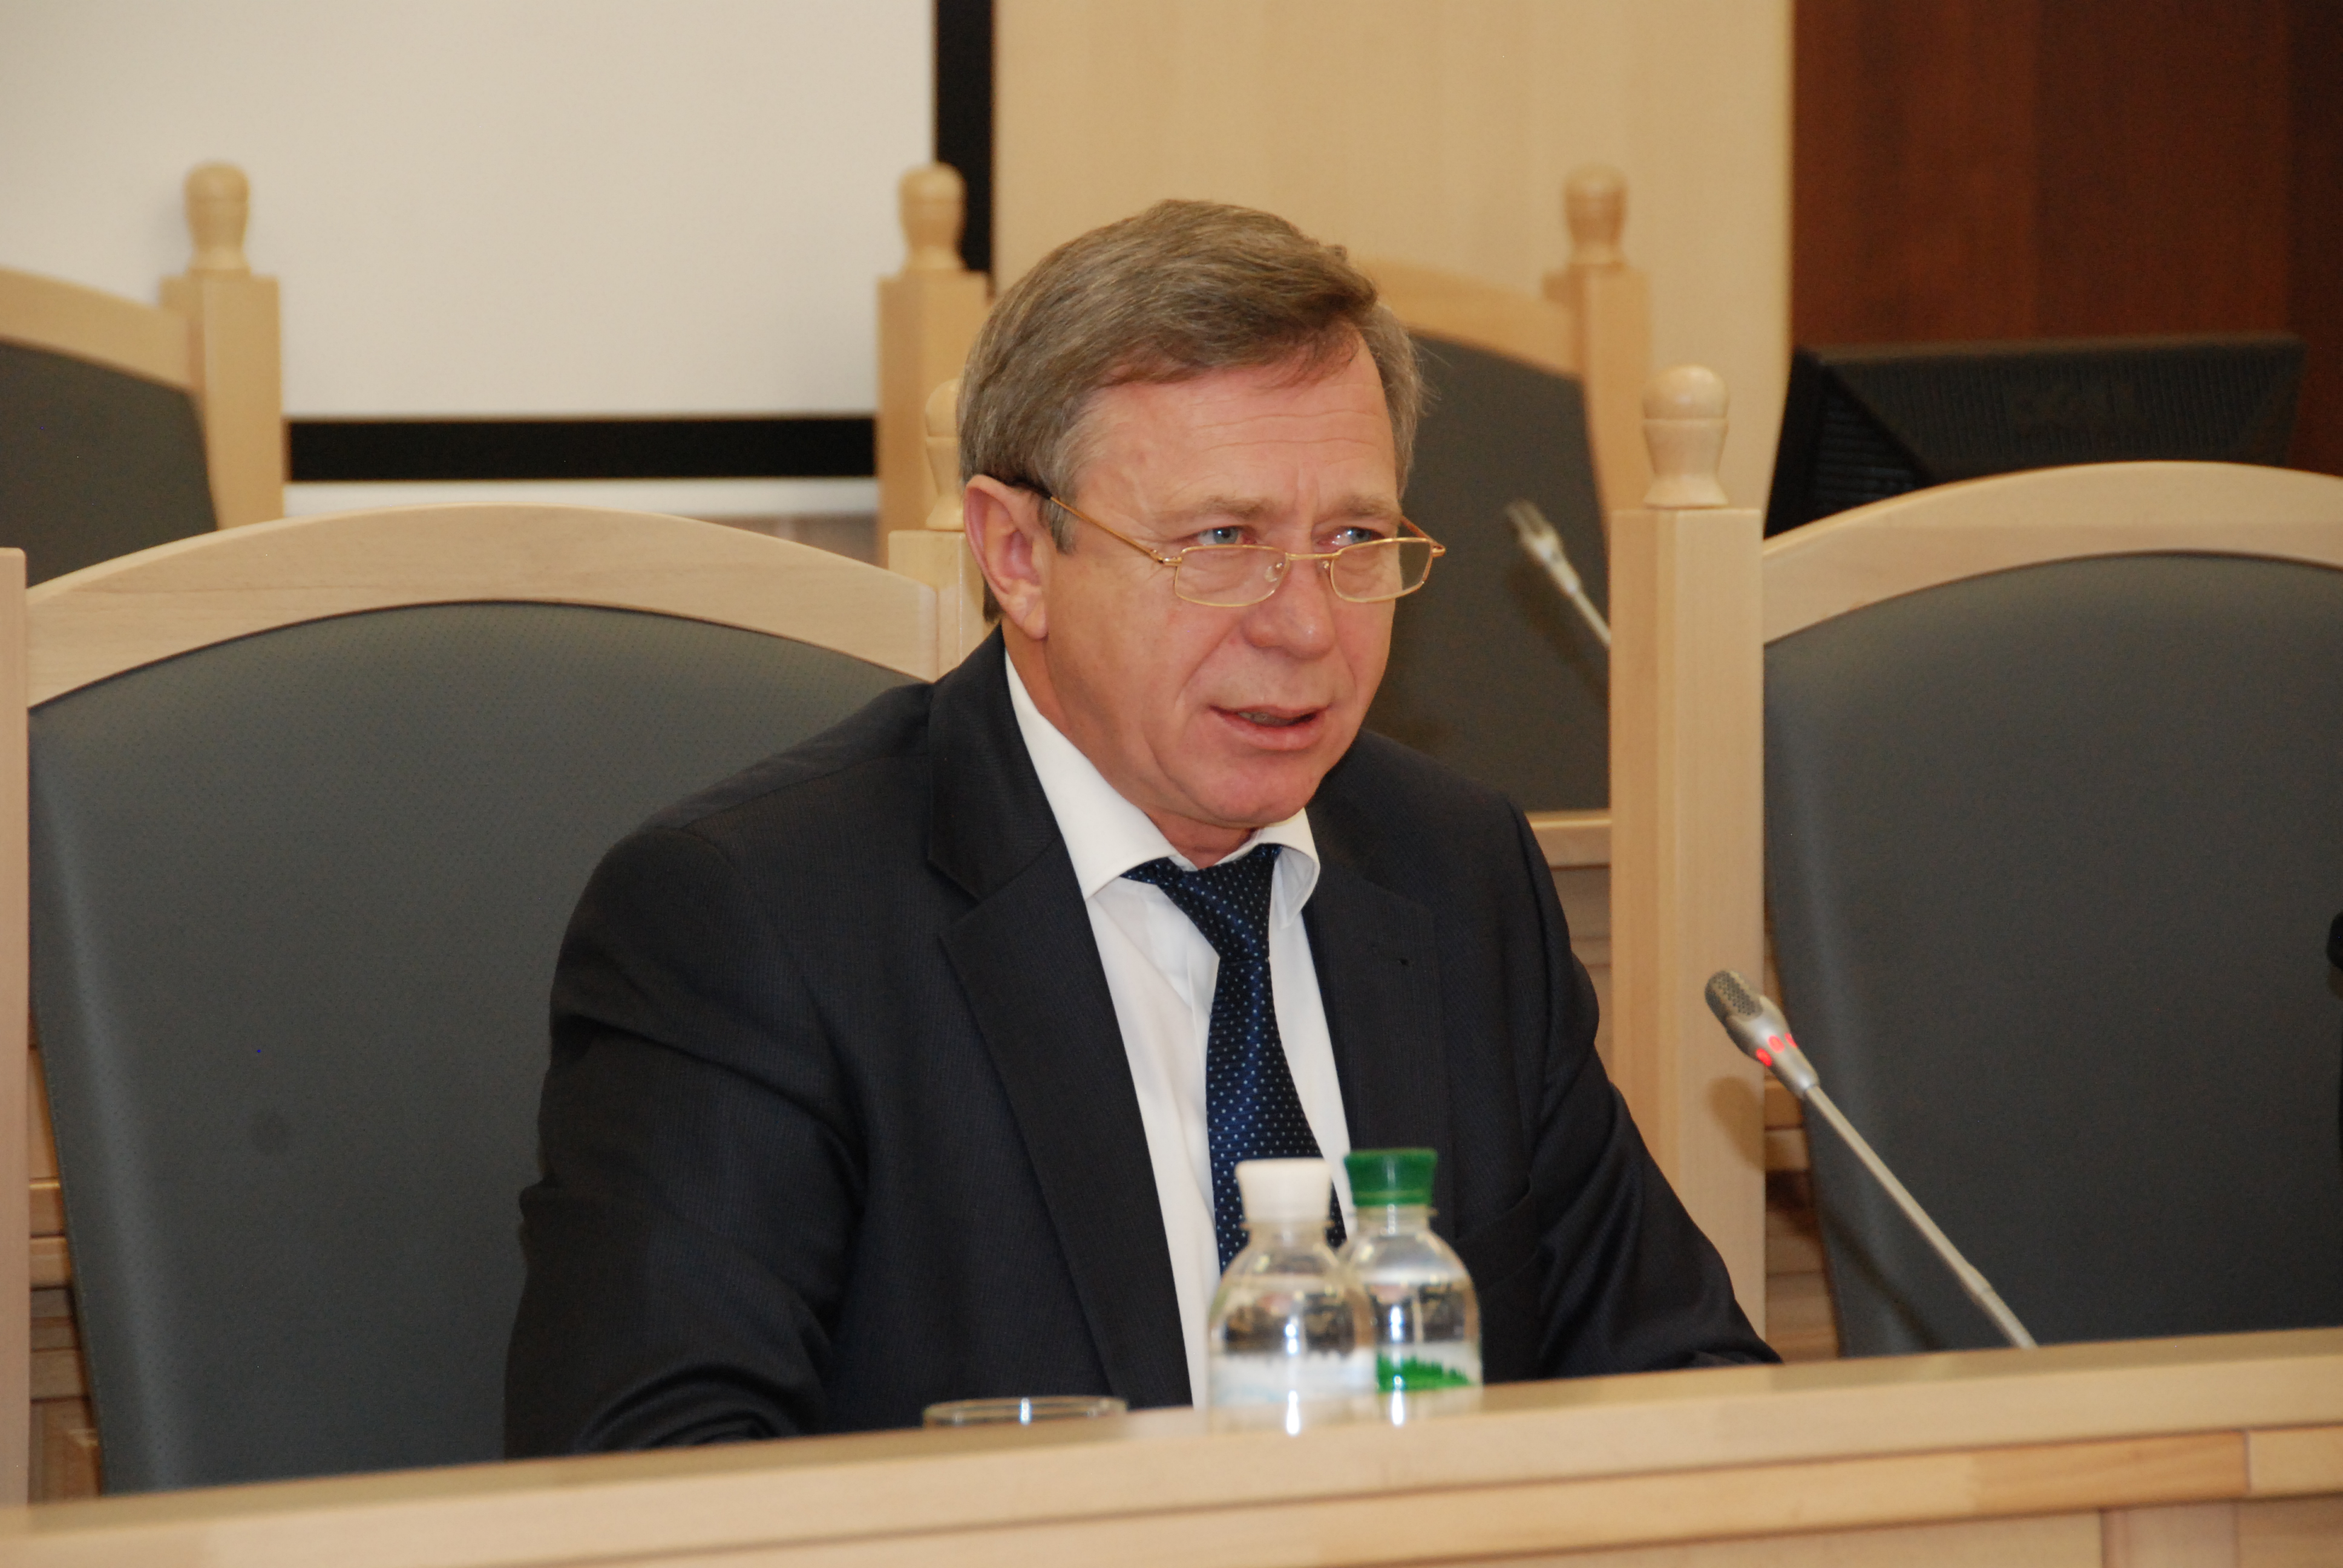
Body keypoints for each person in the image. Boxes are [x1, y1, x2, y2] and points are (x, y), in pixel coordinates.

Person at [505, 201, 1772, 1452]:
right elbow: (655, 1485)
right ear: (1018, 554)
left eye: (1354, 538)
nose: (1306, 625)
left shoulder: (1456, 871)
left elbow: (1682, 1380)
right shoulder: (757, 922)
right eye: (1221, 541)